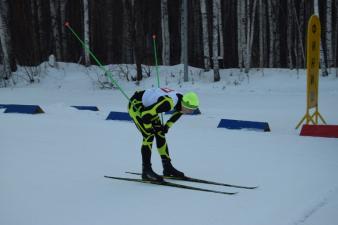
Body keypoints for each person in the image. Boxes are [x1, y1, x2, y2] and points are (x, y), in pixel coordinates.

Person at [128, 87, 199, 182]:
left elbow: (180, 111)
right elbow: (145, 115)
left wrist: (167, 126)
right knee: (148, 135)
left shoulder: (182, 99)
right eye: (190, 110)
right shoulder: (168, 103)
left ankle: (167, 167)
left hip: (149, 108)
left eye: (193, 110)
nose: (191, 112)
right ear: (184, 103)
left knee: (160, 133)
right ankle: (146, 171)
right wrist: (149, 128)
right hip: (137, 104)